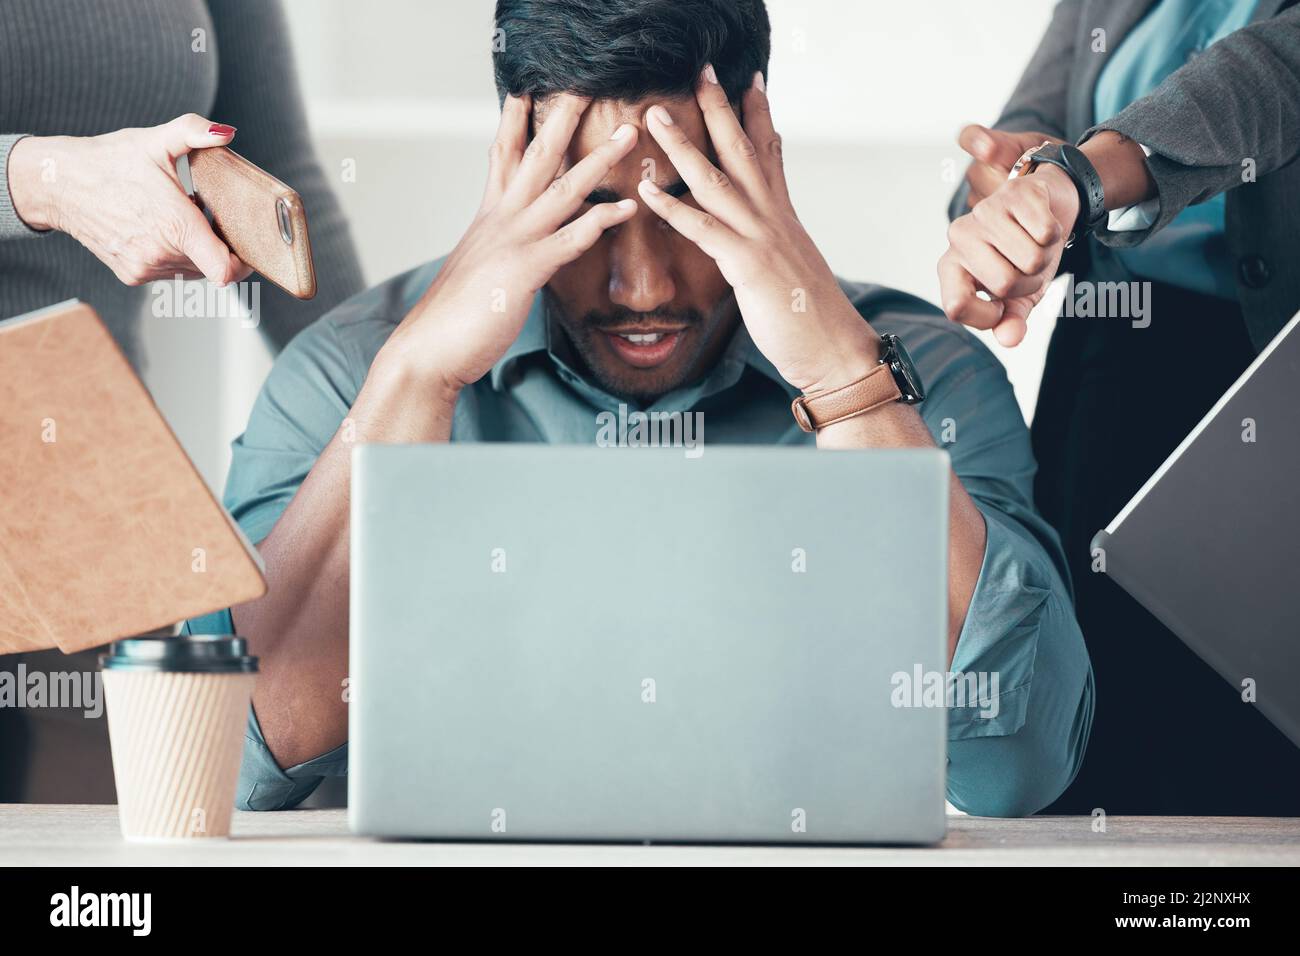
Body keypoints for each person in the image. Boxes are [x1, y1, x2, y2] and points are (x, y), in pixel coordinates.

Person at [189, 0, 1093, 816]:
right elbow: (226, 763)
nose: (643, 286)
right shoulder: (356, 371)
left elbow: (1014, 763)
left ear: (761, 162)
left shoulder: (921, 374)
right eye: (590, 210)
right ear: (512, 171)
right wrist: (416, 380)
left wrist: (842, 378)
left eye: (689, 202)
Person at [939, 0, 1300, 814]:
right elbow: (1036, 119)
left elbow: (1265, 80)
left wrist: (1076, 177)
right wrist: (1009, 187)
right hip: (1107, 363)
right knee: (1086, 725)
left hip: (1260, 375)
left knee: (1248, 746)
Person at [0, 0, 365, 803]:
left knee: (117, 851)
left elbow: (278, 182)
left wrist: (386, 398)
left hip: (75, 488)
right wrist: (37, 181)